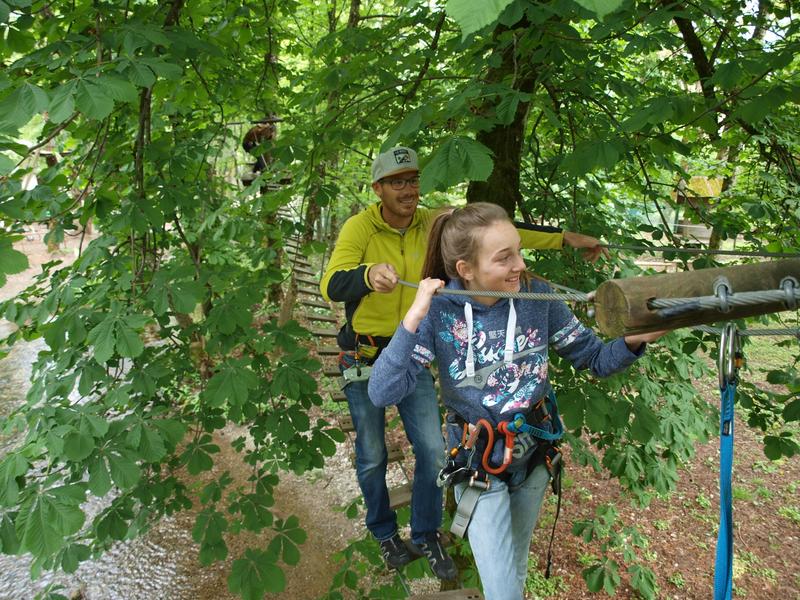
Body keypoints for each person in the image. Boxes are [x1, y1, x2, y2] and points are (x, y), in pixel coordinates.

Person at [319, 147, 608, 580]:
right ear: (378, 189)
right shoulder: (360, 227)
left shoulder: (435, 222)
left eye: (413, 179)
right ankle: (383, 531)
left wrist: (567, 238)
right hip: (366, 351)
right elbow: (331, 283)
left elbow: (502, 239)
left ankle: (426, 531)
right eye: (397, 181)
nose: (408, 189)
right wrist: (366, 274)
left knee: (434, 449)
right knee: (373, 453)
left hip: (414, 347)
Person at [367, 202, 664, 599]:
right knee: (504, 591)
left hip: (534, 457)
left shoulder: (537, 298)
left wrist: (635, 341)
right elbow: (382, 391)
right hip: (478, 467)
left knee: (516, 570)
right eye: (504, 258)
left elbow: (593, 357)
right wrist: (413, 317)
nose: (520, 265)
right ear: (465, 269)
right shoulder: (438, 314)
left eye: (519, 251)